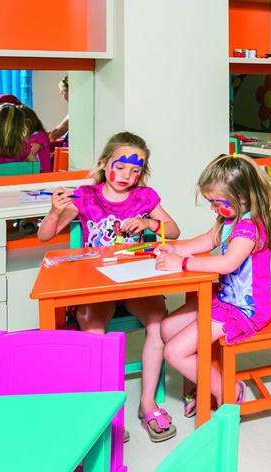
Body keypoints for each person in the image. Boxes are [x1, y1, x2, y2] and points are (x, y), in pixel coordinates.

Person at [37, 131, 180, 442]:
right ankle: (106, 410)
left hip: (133, 283)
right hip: (97, 286)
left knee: (158, 320)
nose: (127, 175)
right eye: (121, 166)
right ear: (104, 164)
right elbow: (45, 236)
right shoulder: (86, 196)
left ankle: (147, 403)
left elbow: (174, 230)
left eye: (135, 170)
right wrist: (55, 212)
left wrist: (150, 224)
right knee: (93, 327)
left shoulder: (144, 197)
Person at [157, 154, 271, 418]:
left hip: (245, 310)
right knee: (167, 328)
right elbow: (206, 240)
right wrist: (176, 248)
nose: (213, 208)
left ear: (242, 197)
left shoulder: (249, 227)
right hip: (225, 300)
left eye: (216, 202)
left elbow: (227, 264)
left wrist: (184, 263)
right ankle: (204, 379)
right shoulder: (229, 219)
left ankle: (227, 389)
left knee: (174, 352)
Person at [19, 105, 53, 173]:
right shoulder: (36, 135)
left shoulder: (37, 135)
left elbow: (29, 154)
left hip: (42, 174)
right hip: (36, 171)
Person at [48, 75, 69, 145]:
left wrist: (38, 139)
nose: (61, 94)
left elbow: (58, 132)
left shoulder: (76, 109)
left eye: (62, 91)